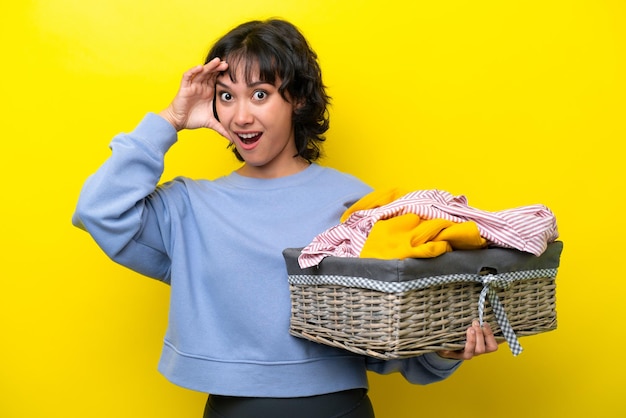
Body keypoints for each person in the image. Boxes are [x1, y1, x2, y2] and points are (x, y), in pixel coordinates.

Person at [72, 18, 498, 418]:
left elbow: (388, 334)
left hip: (338, 409)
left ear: (296, 98)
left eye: (260, 94)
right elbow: (98, 210)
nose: (241, 116)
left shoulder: (354, 204)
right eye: (226, 95)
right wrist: (171, 120)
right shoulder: (188, 206)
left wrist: (443, 354)